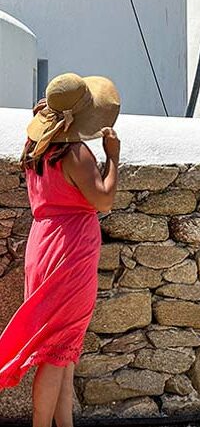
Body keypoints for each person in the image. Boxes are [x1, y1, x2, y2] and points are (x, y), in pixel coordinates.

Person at [0, 72, 121, 427]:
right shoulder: (76, 153)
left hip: (44, 244)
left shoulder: (34, 145)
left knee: (64, 349)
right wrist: (112, 157)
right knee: (56, 354)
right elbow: (104, 200)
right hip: (71, 250)